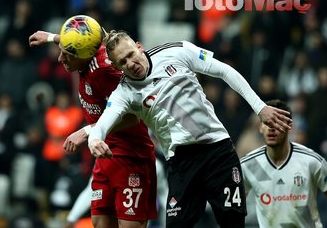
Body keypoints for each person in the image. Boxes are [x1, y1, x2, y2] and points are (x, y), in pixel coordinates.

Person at [86, 30, 292, 228]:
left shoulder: (176, 51)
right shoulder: (124, 93)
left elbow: (224, 70)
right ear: (115, 67)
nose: (131, 64)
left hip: (217, 151)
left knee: (233, 223)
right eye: (122, 62)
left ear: (139, 47)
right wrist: (95, 140)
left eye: (131, 55)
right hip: (181, 162)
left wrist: (260, 107)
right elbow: (103, 124)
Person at [28, 17, 158, 228]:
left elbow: (134, 116)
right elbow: (89, 40)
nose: (61, 59)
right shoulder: (86, 54)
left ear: (84, 55)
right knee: (99, 223)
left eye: (67, 54)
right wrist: (52, 38)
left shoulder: (105, 72)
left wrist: (87, 130)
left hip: (130, 156)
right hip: (105, 155)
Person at [240, 99, 327, 228]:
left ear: (290, 126)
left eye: (277, 122)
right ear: (260, 127)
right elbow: (232, 211)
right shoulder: (247, 165)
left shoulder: (312, 162)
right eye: (266, 123)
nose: (271, 128)